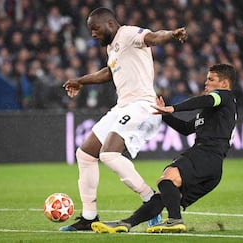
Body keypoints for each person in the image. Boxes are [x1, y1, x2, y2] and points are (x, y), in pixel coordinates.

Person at [60, 7, 188, 231]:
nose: (93, 34)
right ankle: (89, 217)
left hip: (142, 105)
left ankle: (151, 199)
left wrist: (171, 34)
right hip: (123, 106)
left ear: (110, 24)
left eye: (95, 29)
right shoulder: (112, 47)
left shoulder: (128, 34)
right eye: (90, 30)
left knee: (108, 154)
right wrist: (81, 81)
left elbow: (153, 37)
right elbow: (108, 73)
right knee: (85, 154)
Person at [90, 63, 238, 233]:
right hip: (213, 167)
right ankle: (126, 223)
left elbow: (206, 99)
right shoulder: (213, 112)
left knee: (166, 179)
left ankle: (174, 220)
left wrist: (173, 107)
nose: (206, 83)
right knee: (164, 196)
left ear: (225, 84)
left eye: (211, 79)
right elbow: (186, 128)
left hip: (206, 154)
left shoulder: (224, 97)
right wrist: (164, 114)